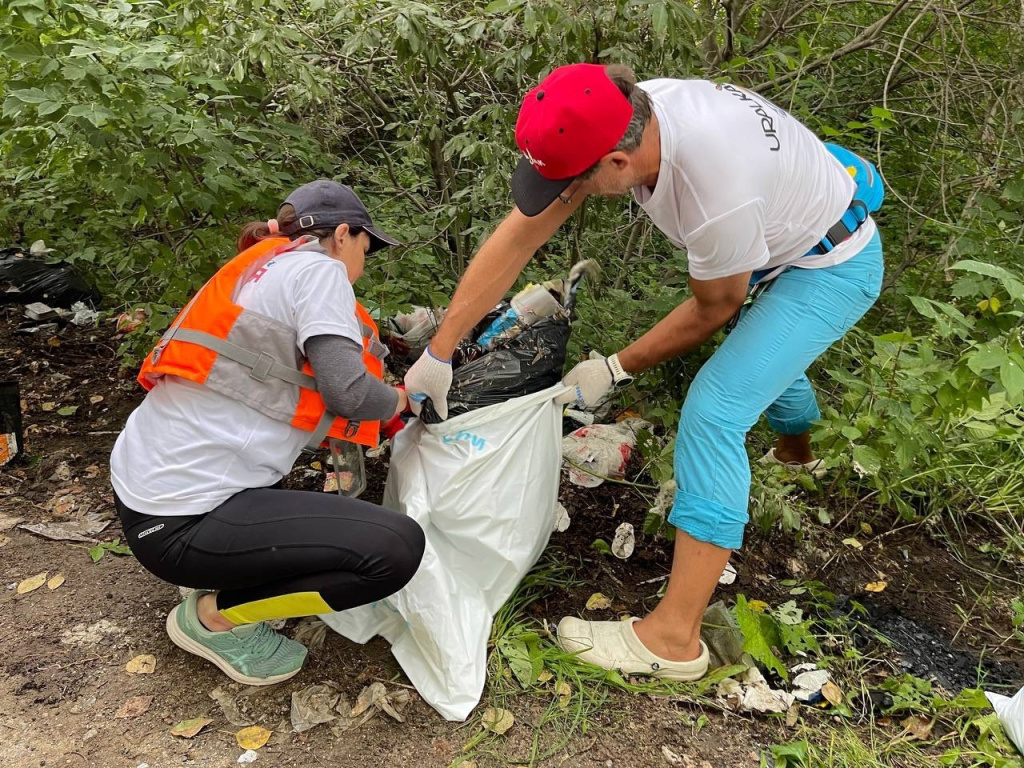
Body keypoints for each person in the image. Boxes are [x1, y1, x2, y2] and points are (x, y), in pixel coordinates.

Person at [404, 64, 883, 681]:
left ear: (618, 164)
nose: (566, 196)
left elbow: (715, 305)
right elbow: (522, 235)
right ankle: (796, 455)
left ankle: (673, 640)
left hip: (830, 264)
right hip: (780, 230)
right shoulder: (620, 109)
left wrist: (614, 367)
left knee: (715, 412)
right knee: (763, 358)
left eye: (573, 183)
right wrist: (437, 353)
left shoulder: (714, 190)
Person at [110, 180, 425, 686]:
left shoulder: (263, 267)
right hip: (182, 520)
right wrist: (401, 400)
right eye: (366, 246)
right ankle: (214, 619)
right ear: (342, 235)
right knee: (395, 550)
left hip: (144, 488)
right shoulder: (320, 271)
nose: (365, 261)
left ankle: (218, 574)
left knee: (319, 517)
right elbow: (346, 390)